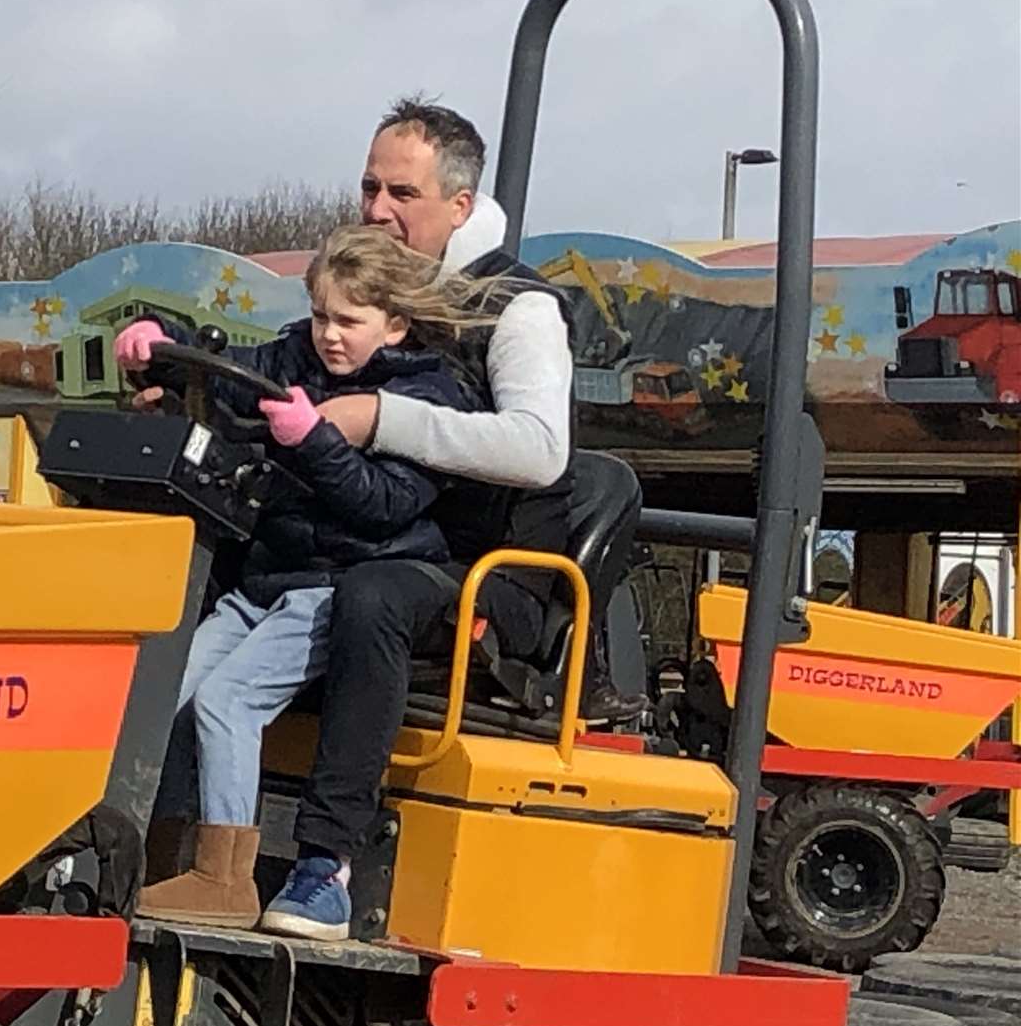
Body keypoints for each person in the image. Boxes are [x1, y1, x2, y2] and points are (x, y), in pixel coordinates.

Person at [250, 98, 649, 942]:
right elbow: (273, 366)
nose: (376, 210)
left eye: (402, 192)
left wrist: (379, 417)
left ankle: (325, 862)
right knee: (226, 544)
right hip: (390, 534)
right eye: (369, 188)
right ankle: (173, 822)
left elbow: (541, 450)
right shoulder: (367, 291)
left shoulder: (521, 310)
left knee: (375, 596)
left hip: (492, 574)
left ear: (460, 206)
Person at [118, 224, 502, 933]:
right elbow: (230, 370)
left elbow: (385, 504)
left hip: (338, 582)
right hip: (269, 578)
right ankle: (150, 853)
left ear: (395, 323)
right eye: (322, 315)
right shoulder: (297, 351)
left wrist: (317, 442)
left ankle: (224, 877)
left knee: (229, 702)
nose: (329, 335)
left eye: (349, 322)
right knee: (164, 688)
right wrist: (162, 344)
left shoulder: (428, 396)